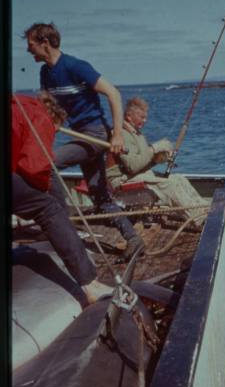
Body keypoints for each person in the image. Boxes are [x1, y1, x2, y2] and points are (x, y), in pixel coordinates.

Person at [23, 22, 143, 260]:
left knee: (47, 165)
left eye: (31, 45)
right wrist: (52, 122)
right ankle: (134, 240)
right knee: (101, 199)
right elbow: (49, 108)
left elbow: (114, 94)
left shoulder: (76, 66)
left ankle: (62, 222)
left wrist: (117, 133)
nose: (29, 51)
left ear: (45, 43)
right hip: (80, 133)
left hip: (96, 134)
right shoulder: (45, 73)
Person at [11, 92, 114, 305]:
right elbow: (35, 165)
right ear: (55, 118)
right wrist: (43, 190)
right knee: (48, 208)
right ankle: (89, 283)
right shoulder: (40, 115)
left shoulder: (19, 103)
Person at [106, 97, 209, 223]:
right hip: (121, 181)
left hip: (135, 175)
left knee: (179, 179)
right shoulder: (121, 134)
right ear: (129, 116)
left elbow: (144, 162)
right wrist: (155, 148)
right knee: (170, 185)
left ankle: (204, 208)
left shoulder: (137, 134)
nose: (145, 121)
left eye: (145, 117)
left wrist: (161, 158)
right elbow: (132, 166)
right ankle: (198, 219)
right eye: (141, 117)